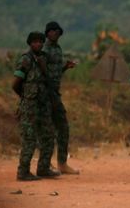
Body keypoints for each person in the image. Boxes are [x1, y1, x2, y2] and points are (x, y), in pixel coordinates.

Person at [12, 31, 60, 181]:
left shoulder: (44, 58)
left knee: (48, 136)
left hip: (44, 105)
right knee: (30, 139)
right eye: (35, 42)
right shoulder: (25, 60)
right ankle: (23, 172)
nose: (38, 44)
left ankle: (43, 168)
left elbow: (49, 79)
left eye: (40, 41)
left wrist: (43, 66)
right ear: (30, 43)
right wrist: (26, 97)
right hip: (30, 106)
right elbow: (15, 84)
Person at [43, 21, 79, 174]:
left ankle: (62, 163)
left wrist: (65, 67)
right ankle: (45, 164)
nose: (56, 33)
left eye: (58, 31)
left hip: (55, 93)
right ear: (47, 33)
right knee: (47, 130)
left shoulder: (58, 49)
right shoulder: (43, 49)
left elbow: (55, 72)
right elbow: (42, 73)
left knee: (63, 127)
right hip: (45, 93)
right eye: (53, 31)